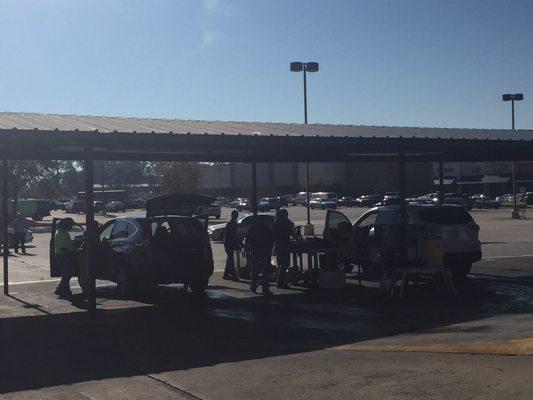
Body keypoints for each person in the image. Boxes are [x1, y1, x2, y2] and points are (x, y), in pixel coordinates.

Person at [245, 218, 274, 295]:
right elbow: (271, 241)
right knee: (265, 270)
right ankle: (265, 288)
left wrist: (249, 249)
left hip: (255, 251)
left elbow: (247, 240)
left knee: (254, 270)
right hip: (265, 252)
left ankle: (253, 286)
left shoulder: (253, 228)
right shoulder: (267, 229)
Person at [272, 209, 294, 288]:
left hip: (277, 245)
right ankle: (280, 281)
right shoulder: (287, 222)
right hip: (285, 244)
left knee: (280, 263)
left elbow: (273, 235)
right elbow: (292, 233)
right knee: (285, 264)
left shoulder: (276, 222)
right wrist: (298, 239)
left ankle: (280, 280)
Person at [54, 218, 74, 298]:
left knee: (66, 274)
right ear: (66, 225)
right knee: (67, 274)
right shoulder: (62, 233)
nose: (71, 227)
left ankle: (62, 289)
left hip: (61, 255)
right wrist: (73, 251)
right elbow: (64, 248)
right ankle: (63, 290)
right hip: (63, 256)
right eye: (70, 225)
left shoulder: (61, 232)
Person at [223, 210, 240, 281]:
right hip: (229, 244)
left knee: (229, 259)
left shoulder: (233, 223)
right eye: (236, 215)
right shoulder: (231, 224)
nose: (236, 217)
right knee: (231, 260)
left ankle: (226, 274)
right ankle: (233, 276)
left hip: (229, 243)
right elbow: (232, 235)